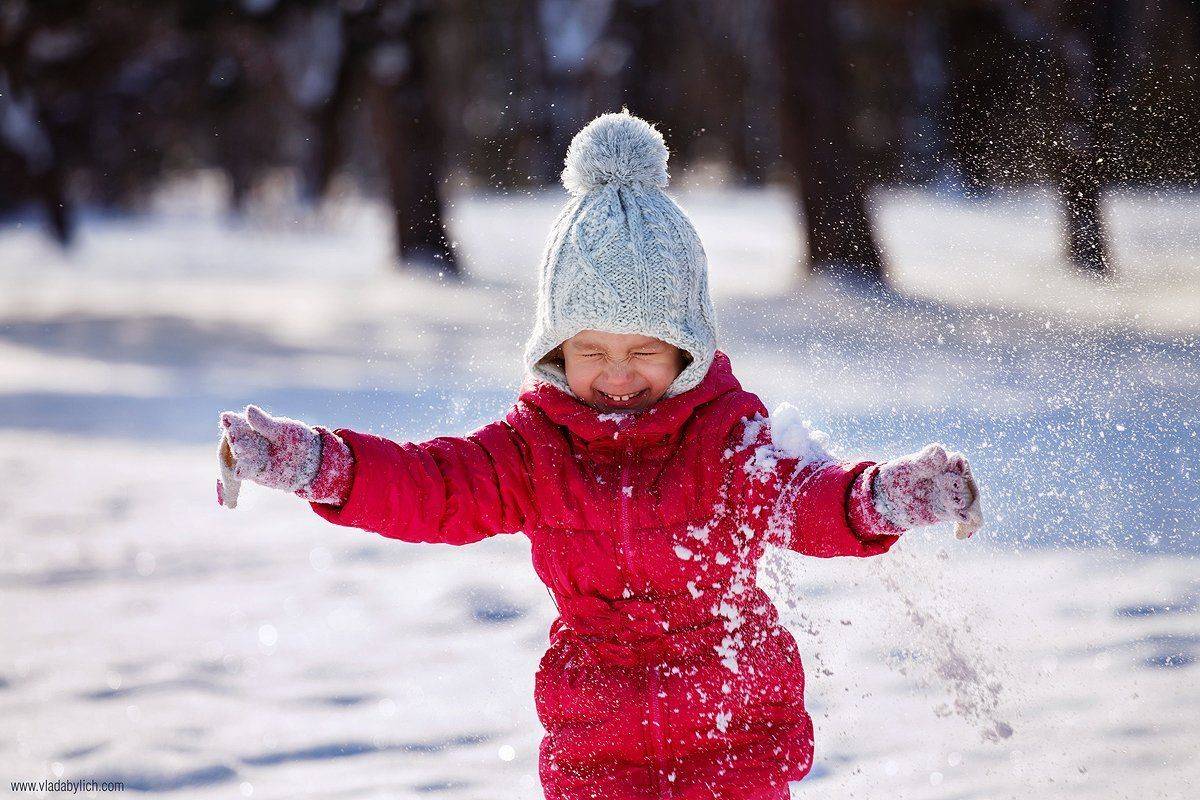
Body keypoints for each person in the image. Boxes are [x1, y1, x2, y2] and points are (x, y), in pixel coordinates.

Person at [216, 110, 982, 800]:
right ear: (555, 349)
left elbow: (804, 499)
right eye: (590, 350)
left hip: (734, 735)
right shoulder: (530, 449)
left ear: (688, 348)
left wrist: (884, 497)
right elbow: (433, 487)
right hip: (596, 745)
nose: (616, 375)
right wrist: (320, 464)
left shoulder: (724, 441)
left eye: (644, 350)